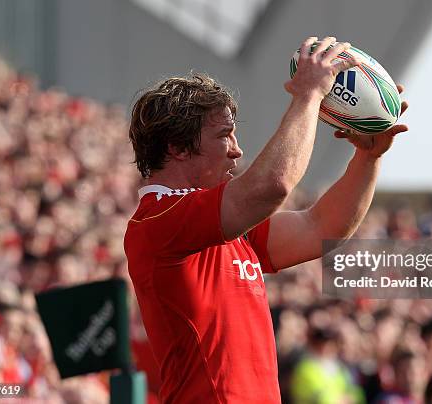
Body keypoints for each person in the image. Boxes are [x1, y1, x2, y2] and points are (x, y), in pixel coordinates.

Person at [124, 36, 409, 403]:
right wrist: (309, 95)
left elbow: (321, 228)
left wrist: (367, 160)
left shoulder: (221, 222)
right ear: (177, 148)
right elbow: (273, 186)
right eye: (224, 136)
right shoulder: (159, 220)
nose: (237, 149)